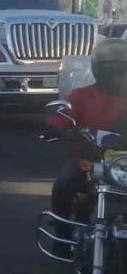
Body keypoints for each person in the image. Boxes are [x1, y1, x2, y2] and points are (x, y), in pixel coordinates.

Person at [48, 38, 127, 249]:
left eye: (121, 65)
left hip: (122, 164)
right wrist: (60, 129)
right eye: (110, 65)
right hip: (89, 160)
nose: (116, 70)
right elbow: (61, 119)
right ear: (97, 67)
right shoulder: (81, 95)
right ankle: (62, 236)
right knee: (63, 185)